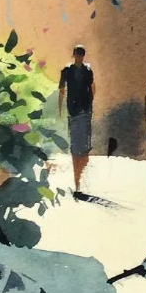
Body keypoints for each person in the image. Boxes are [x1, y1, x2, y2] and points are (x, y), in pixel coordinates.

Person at [58, 45, 95, 196]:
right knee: (75, 148)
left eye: (81, 54)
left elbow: (92, 89)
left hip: (85, 112)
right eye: (77, 54)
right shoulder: (67, 71)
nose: (79, 56)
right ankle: (77, 184)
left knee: (84, 148)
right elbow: (61, 90)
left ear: (83, 55)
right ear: (73, 55)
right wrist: (60, 110)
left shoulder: (88, 71)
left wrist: (90, 107)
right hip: (73, 112)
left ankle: (80, 181)